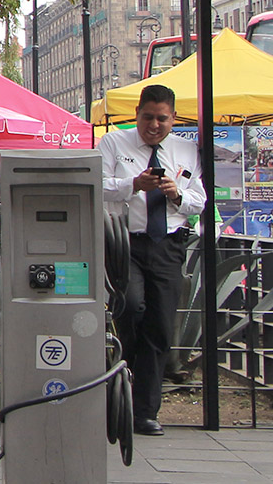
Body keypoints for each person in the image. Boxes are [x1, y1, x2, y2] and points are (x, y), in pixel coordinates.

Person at [98, 84, 205, 437]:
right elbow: (95, 183)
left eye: (162, 118)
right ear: (137, 115)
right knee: (129, 307)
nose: (154, 125)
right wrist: (134, 185)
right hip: (125, 241)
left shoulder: (186, 150)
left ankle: (145, 411)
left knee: (159, 326)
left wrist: (177, 195)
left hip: (169, 245)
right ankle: (118, 383)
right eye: (148, 117)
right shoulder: (114, 143)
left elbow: (199, 200)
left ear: (173, 119)